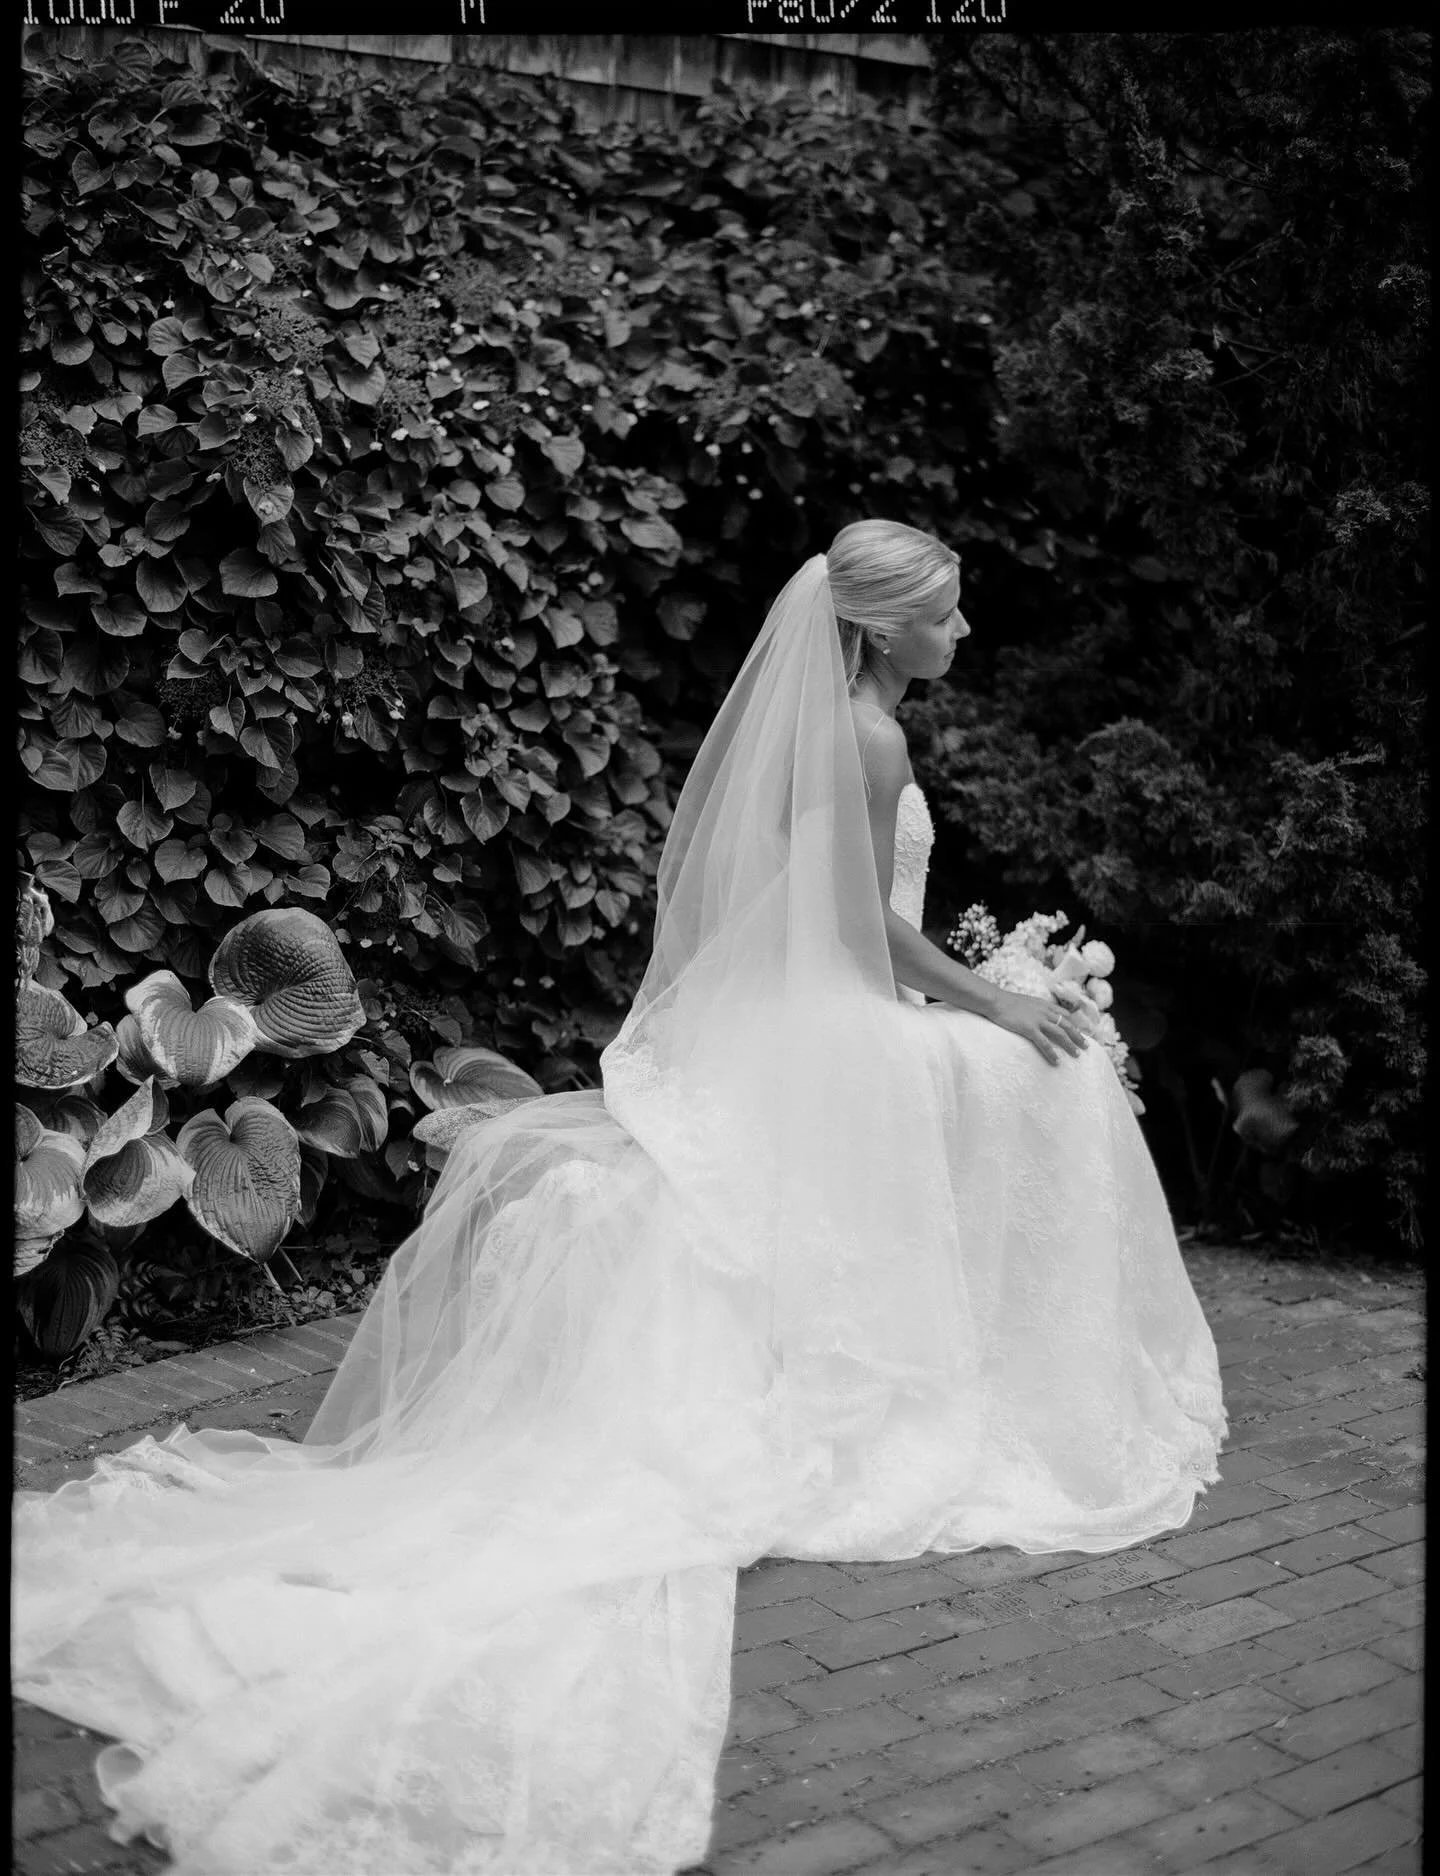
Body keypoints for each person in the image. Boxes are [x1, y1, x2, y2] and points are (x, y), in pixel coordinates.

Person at [12, 521, 1226, 1876]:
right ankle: (1028, 1359)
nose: (966, 634)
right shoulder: (869, 739)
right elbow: (856, 928)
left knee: (1018, 1075)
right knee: (1042, 1082)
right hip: (839, 1011)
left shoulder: (835, 718)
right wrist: (997, 996)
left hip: (799, 1014)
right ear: (883, 630)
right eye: (946, 615)